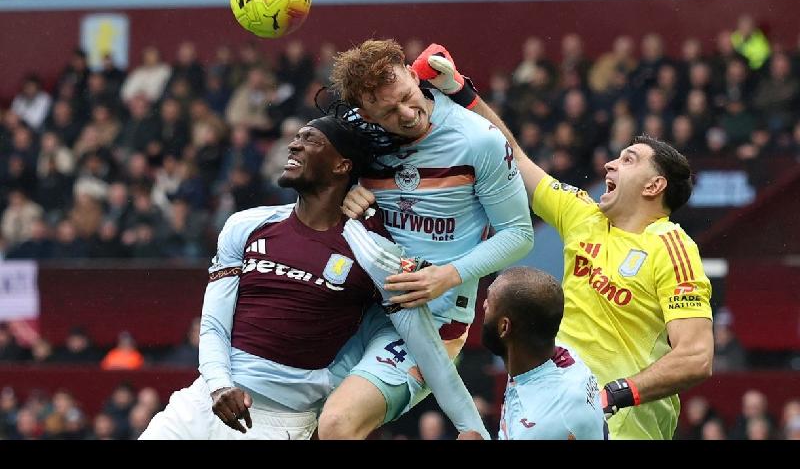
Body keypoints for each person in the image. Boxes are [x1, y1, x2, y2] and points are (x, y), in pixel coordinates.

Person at [411, 43, 714, 440]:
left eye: (629, 160)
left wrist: (615, 394)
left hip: (623, 428)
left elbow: (696, 357)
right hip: (548, 412)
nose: (609, 163)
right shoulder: (583, 214)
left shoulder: (671, 246)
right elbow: (513, 159)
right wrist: (461, 93)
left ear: (655, 185)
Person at [140, 113, 485, 440]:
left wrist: (470, 425)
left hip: (277, 424)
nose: (293, 145)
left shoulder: (371, 250)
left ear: (342, 164)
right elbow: (213, 325)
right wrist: (218, 385)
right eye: (296, 137)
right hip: (203, 401)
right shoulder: (246, 225)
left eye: (310, 139)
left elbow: (426, 347)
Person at [320, 39, 534, 439]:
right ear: (364, 113)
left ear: (413, 75)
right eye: (388, 111)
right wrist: (342, 199)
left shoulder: (478, 140)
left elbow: (519, 236)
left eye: (406, 96)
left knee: (337, 425)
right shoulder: (355, 139)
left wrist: (446, 275)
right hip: (356, 307)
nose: (406, 114)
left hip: (432, 320)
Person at [480, 267, 606, 440]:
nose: (484, 305)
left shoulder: (541, 424)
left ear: (504, 327)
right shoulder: (537, 356)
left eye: (490, 302)